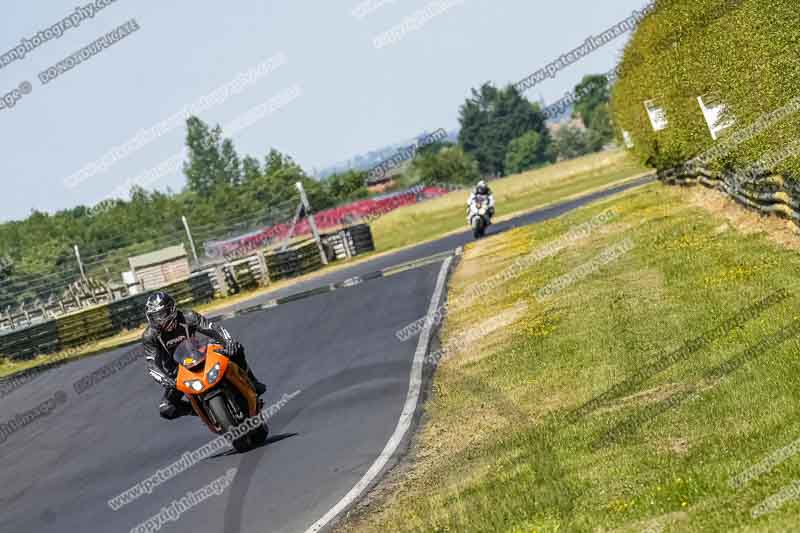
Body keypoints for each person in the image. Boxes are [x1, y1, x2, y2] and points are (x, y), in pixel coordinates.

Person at [142, 291, 267, 420]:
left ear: (171, 309)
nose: (158, 320)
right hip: (177, 374)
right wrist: (165, 380)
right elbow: (151, 363)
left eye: (161, 315)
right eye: (153, 317)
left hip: (200, 356)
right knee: (166, 408)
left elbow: (213, 328)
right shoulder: (149, 336)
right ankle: (201, 412)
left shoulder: (188, 316)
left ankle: (252, 381)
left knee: (236, 349)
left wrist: (228, 343)